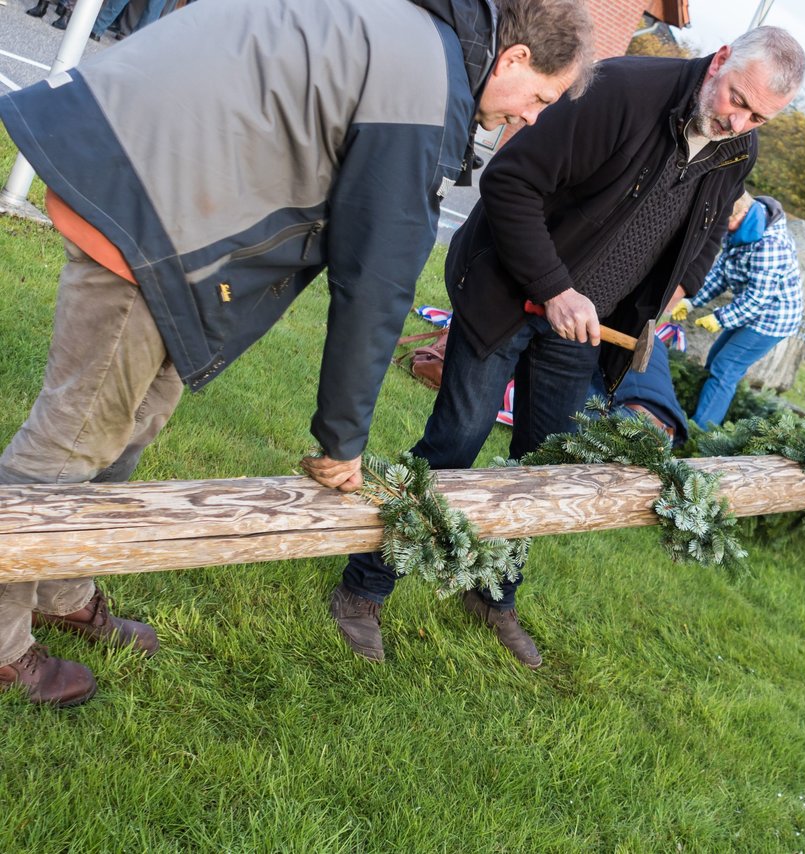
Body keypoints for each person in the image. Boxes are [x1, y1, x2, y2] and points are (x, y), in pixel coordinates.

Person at [0, 0, 593, 707]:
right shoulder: (426, 80)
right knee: (73, 437)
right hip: (145, 192)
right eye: (539, 99)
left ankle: (60, 586)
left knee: (140, 413)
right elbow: (375, 279)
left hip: (166, 180)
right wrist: (341, 441)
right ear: (515, 59)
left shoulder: (431, 48)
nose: (531, 116)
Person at [334, 26, 805, 668]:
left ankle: (492, 596)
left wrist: (674, 296)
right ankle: (363, 591)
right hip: (504, 292)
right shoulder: (619, 89)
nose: (739, 122)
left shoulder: (735, 149)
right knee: (454, 445)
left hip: (585, 326)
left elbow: (702, 242)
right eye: (737, 100)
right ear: (719, 59)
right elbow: (509, 183)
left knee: (545, 465)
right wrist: (556, 288)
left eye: (759, 118)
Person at [670, 193, 803, 429]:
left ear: (743, 214)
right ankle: (703, 411)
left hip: (772, 318)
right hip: (751, 309)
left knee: (726, 366)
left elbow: (758, 297)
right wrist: (692, 300)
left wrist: (721, 318)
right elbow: (721, 274)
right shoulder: (742, 232)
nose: (724, 226)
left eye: (727, 220)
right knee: (714, 359)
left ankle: (700, 432)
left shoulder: (770, 244)